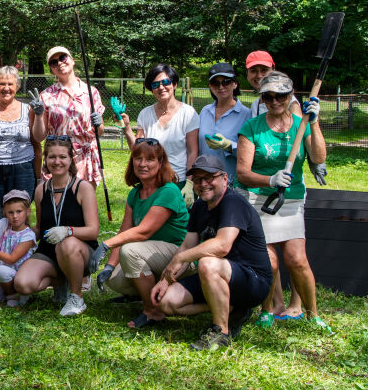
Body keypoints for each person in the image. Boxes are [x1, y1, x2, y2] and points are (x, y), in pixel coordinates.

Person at [235, 72, 331, 331]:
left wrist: (315, 122)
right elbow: (242, 173)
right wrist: (269, 180)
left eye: (281, 96)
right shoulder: (252, 127)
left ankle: (313, 315)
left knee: (297, 259)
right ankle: (266, 310)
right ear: (262, 98)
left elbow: (319, 156)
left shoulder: (302, 123)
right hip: (259, 199)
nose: (275, 101)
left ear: (290, 97)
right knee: (270, 261)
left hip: (291, 200)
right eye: (268, 96)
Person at [150, 156, 273, 351]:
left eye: (209, 178)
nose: (203, 184)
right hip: (217, 276)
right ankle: (233, 309)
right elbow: (186, 246)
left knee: (208, 262)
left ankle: (220, 331)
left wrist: (183, 257)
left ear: (224, 178)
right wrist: (166, 279)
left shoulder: (233, 203)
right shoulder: (199, 206)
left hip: (253, 280)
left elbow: (222, 246)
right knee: (167, 302)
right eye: (198, 179)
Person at [90, 138, 189, 327]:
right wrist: (110, 265)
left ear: (160, 163)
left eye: (150, 159)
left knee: (130, 251)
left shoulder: (169, 191)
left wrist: (106, 244)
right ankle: (144, 295)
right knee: (113, 279)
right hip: (151, 254)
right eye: (138, 158)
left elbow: (143, 232)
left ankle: (153, 312)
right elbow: (125, 230)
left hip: (179, 255)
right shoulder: (135, 193)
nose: (142, 164)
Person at [244, 51, 307, 317]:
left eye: (263, 69)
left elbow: (303, 137)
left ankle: (298, 304)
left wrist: (316, 162)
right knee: (270, 255)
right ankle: (275, 304)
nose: (259, 75)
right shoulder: (258, 105)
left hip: (291, 187)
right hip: (265, 188)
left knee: (294, 256)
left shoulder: (289, 102)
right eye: (253, 71)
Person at [13, 136, 99, 316]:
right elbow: (40, 226)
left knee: (67, 244)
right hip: (49, 250)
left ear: (70, 159)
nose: (57, 161)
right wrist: (17, 234)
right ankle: (61, 281)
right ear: (45, 159)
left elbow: (93, 231)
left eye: (62, 157)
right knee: (23, 284)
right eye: (52, 157)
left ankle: (76, 297)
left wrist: (68, 231)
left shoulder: (82, 188)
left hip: (79, 250)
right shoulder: (41, 190)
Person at [0, 66, 46, 236]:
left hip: (22, 169)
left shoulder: (28, 109)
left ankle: (19, 254)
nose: (6, 88)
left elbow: (37, 144)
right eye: (2, 84)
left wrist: (38, 177)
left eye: (10, 84)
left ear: (17, 86)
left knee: (18, 215)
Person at [120, 63, 199, 206]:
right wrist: (126, 127)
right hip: (152, 181)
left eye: (166, 82)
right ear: (151, 89)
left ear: (174, 84)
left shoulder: (188, 113)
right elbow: (137, 150)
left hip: (178, 182)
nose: (161, 87)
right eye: (155, 84)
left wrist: (189, 183)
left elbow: (193, 151)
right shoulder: (145, 114)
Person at [40, 46, 105, 185]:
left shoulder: (91, 92)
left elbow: (99, 132)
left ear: (72, 60)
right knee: (57, 202)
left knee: (85, 202)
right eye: (54, 62)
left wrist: (98, 124)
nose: (59, 63)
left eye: (63, 58)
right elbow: (39, 135)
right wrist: (39, 114)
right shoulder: (46, 95)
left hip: (86, 157)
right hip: (58, 158)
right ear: (51, 69)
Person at [197, 62, 250, 182]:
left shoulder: (246, 115)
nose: (221, 87)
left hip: (231, 183)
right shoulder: (205, 111)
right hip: (204, 182)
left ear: (235, 84)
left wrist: (229, 146)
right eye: (215, 83)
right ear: (210, 86)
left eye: (226, 81)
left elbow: (252, 154)